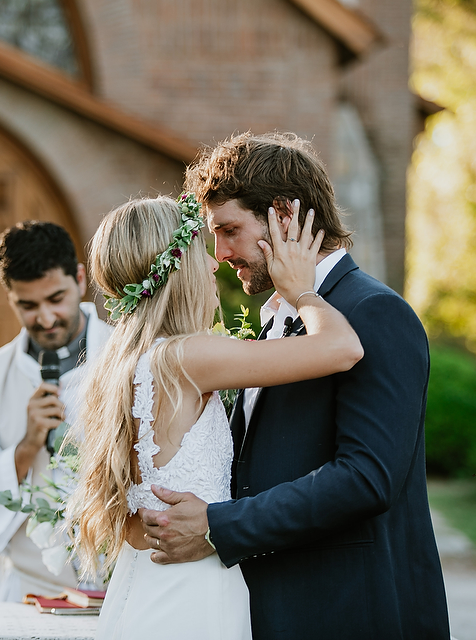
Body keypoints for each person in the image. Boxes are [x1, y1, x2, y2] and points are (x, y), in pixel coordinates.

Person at [139, 132, 452, 639]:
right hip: (275, 610)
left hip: (351, 611)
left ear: (284, 216)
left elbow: (367, 477)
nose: (219, 253)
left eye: (230, 229)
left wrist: (221, 527)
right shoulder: (277, 319)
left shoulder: (375, 314)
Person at [66, 194, 363, 640]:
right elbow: (343, 348)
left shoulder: (121, 362)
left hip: (145, 586)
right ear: (178, 269)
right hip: (191, 597)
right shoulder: (186, 356)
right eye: (200, 251)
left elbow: (131, 523)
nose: (213, 264)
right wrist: (301, 289)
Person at [0, 221, 112, 601]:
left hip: (122, 590)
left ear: (80, 280)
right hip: (30, 593)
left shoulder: (127, 357)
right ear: (10, 299)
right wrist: (25, 448)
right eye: (28, 306)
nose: (46, 319)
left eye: (56, 299)